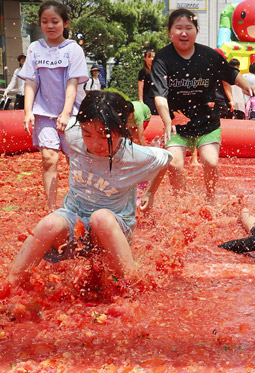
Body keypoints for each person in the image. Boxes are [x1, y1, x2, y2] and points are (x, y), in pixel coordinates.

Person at [8, 91, 171, 289]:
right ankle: (10, 287)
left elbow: (167, 160)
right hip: (73, 220)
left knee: (100, 218)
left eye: (104, 135)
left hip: (113, 226)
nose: (94, 143)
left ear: (122, 129)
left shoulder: (135, 155)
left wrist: (149, 194)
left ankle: (134, 283)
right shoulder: (73, 133)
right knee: (49, 223)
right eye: (87, 134)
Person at [151, 8, 255, 203]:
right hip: (176, 122)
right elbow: (160, 96)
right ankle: (181, 202)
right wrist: (166, 121)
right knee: (174, 164)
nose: (184, 33)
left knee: (210, 161)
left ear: (196, 31)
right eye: (178, 28)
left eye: (189, 28)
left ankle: (210, 198)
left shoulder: (208, 56)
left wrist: (247, 86)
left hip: (207, 120)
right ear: (170, 32)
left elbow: (231, 74)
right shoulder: (162, 59)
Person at [19, 0, 89, 210]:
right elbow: (31, 81)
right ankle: (51, 209)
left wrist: (66, 114)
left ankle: (80, 205)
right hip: (44, 113)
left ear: (65, 23)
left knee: (75, 161)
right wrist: (28, 111)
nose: (50, 26)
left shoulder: (73, 50)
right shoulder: (34, 48)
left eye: (55, 21)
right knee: (49, 158)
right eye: (44, 21)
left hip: (73, 113)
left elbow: (72, 83)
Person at [137, 49, 157, 115]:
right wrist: (141, 100)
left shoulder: (159, 70)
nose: (151, 59)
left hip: (158, 97)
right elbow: (140, 86)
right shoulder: (143, 71)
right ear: (145, 59)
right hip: (147, 98)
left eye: (153, 57)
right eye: (149, 57)